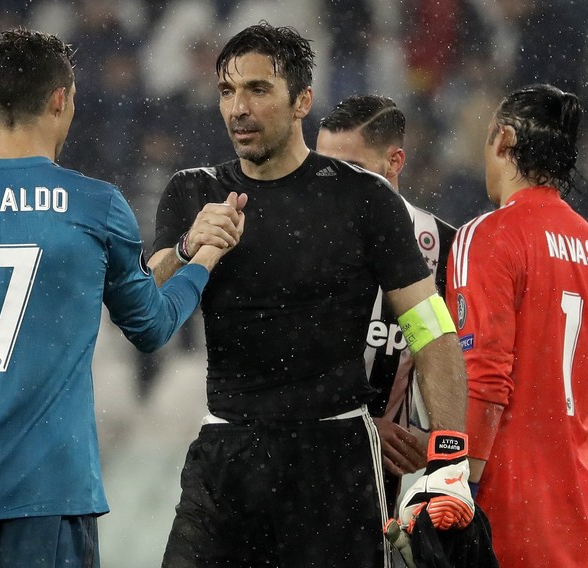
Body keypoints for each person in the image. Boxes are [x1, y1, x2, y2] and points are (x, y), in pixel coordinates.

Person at [0, 28, 246, 567]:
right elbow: (150, 327)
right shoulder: (97, 206)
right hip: (52, 491)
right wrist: (203, 260)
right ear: (61, 99)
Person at [149, 23, 471, 567]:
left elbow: (430, 327)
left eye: (257, 89)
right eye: (227, 92)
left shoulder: (364, 197)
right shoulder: (193, 191)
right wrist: (184, 247)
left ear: (303, 101)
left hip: (335, 460)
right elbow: (145, 309)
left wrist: (450, 458)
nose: (238, 109)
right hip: (228, 453)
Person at [446, 83, 588, 568]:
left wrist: (463, 488)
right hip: (580, 509)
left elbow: (483, 375)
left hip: (508, 503)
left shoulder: (488, 235)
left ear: (502, 140)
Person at [316, 94, 457, 516]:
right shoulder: (295, 241)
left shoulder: (444, 248)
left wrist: (433, 443)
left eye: (354, 170)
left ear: (394, 162)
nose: (336, 184)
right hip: (292, 470)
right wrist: (354, 427)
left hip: (379, 489)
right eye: (324, 169)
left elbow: (456, 361)